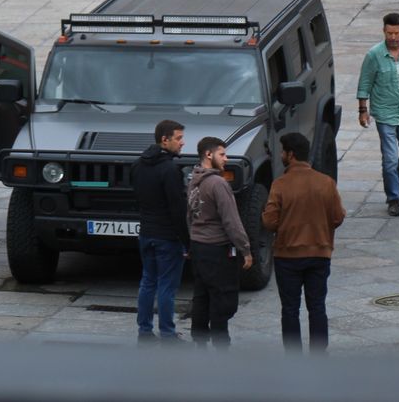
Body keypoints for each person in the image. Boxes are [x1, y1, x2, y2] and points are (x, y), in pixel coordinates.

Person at [262, 132, 345, 353]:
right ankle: (318, 354)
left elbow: (269, 221)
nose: (281, 155)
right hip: (319, 254)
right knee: (317, 306)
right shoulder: (326, 183)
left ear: (290, 154)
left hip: (287, 256)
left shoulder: (280, 184)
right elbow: (338, 217)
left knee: (290, 308)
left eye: (283, 151)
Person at [357, 12, 399, 217]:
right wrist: (363, 110)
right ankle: (394, 198)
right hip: (384, 114)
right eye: (389, 33)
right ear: (384, 31)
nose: (393, 37)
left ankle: (392, 179)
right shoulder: (374, 55)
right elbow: (364, 84)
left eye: (396, 33)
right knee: (389, 159)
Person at [188, 136, 252, 348]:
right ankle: (221, 343)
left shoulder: (194, 180)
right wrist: (245, 249)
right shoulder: (218, 183)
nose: (226, 159)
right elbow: (231, 220)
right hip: (216, 249)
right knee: (222, 298)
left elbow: (189, 215)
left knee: (201, 295)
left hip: (198, 246)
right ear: (209, 155)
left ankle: (199, 341)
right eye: (222, 154)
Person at [133, 119, 189, 343]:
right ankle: (168, 334)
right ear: (164, 140)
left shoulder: (137, 165)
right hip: (167, 237)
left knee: (148, 282)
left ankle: (144, 332)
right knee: (167, 286)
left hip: (146, 233)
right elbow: (178, 210)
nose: (182, 143)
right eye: (179, 138)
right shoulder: (170, 170)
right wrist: (187, 242)